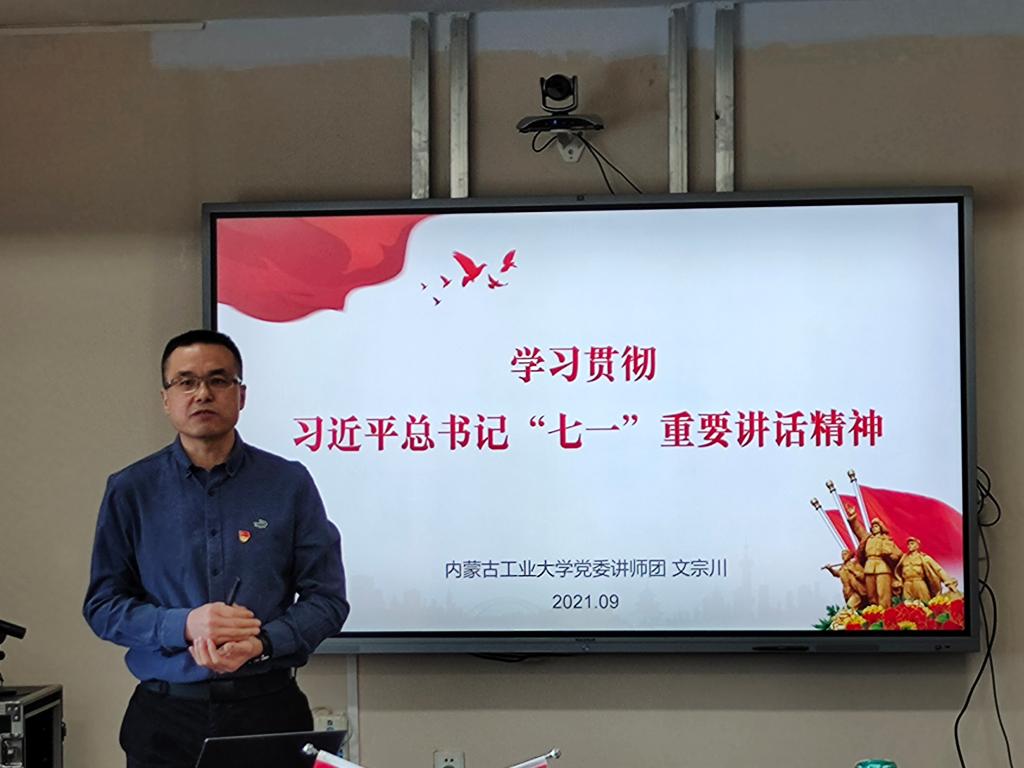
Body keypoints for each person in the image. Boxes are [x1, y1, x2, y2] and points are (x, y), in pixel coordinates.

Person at [83, 329, 349, 768]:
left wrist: (262, 642)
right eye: (186, 382)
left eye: (218, 380)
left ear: (241, 395)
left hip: (268, 710)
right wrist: (184, 625)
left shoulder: (288, 483)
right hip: (165, 718)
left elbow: (328, 599)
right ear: (166, 399)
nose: (202, 393)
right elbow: (102, 606)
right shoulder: (131, 490)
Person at [894, 536, 958, 603]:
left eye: (912, 543)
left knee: (926, 604)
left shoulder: (925, 558)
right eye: (908, 544)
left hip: (919, 583)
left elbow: (938, 570)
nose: (909, 546)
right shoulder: (903, 558)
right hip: (907, 585)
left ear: (917, 546)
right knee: (906, 605)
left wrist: (949, 583)